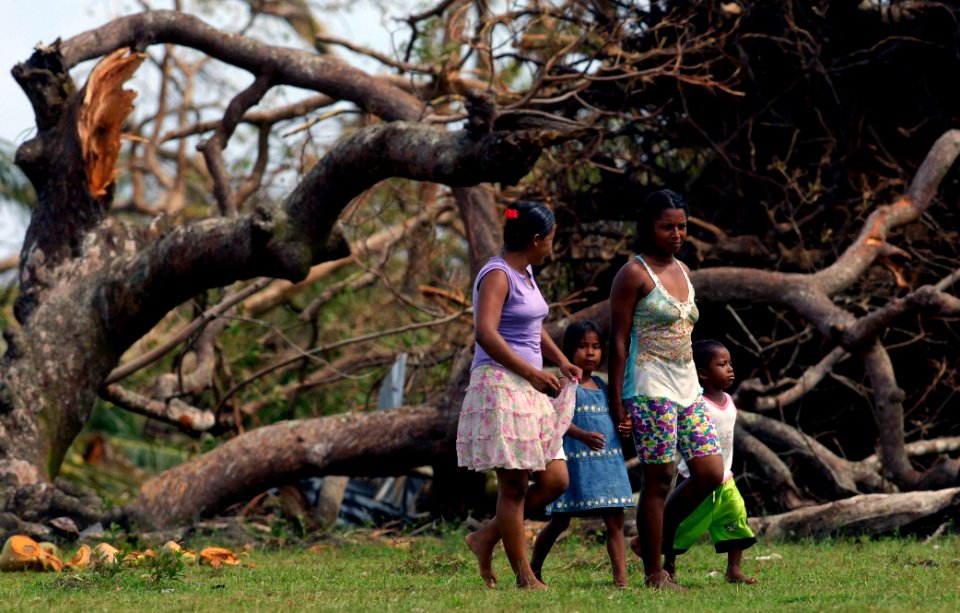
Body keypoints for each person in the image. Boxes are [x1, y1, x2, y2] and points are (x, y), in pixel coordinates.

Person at [456, 201, 582, 590]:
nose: (551, 247)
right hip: (501, 385)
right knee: (513, 486)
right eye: (551, 240)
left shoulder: (525, 272)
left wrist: (559, 360)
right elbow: (486, 334)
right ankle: (525, 576)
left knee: (556, 478)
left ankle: (486, 537)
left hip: (530, 384)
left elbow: (532, 324)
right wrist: (532, 373)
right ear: (535, 239)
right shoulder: (496, 274)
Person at [607, 189, 724, 589]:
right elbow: (619, 342)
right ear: (649, 227)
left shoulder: (685, 269)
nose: (676, 234)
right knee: (659, 479)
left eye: (682, 226)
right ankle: (654, 573)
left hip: (688, 385)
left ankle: (650, 543)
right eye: (667, 227)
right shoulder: (634, 274)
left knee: (710, 472)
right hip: (648, 385)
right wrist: (618, 402)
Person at [529, 320, 635, 587]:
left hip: (608, 462)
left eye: (596, 347)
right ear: (568, 350)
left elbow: (614, 417)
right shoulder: (565, 383)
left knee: (615, 520)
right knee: (560, 521)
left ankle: (621, 581)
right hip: (576, 463)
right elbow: (556, 418)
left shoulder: (602, 384)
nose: (590, 353)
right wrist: (582, 435)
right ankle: (533, 569)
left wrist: (625, 424)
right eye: (583, 346)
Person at [665, 339, 757, 584]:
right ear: (703, 374)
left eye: (730, 363)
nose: (730, 369)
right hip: (696, 479)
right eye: (722, 364)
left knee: (736, 517)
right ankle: (666, 565)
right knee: (681, 526)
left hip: (725, 477)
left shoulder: (729, 400)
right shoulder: (695, 405)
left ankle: (734, 569)